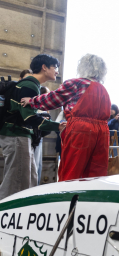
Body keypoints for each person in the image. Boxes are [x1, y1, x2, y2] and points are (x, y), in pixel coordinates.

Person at [21, 54, 111, 181]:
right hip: (102, 132)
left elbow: (53, 99)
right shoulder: (103, 89)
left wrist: (32, 100)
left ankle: (67, 199)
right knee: (96, 173)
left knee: (71, 170)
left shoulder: (76, 83)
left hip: (81, 129)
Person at [0, 54, 64, 199]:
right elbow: (29, 117)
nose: (57, 71)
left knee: (28, 179)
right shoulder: (29, 85)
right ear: (44, 67)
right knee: (16, 183)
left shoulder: (33, 85)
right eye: (55, 67)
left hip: (20, 136)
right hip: (17, 135)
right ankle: (6, 215)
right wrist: (57, 126)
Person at [33, 86, 52, 185]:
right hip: (36, 139)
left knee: (38, 166)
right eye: (47, 94)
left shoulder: (43, 109)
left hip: (39, 139)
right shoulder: (39, 110)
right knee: (35, 166)